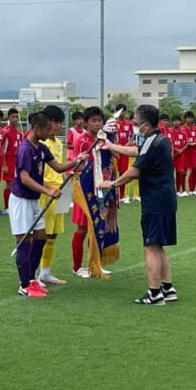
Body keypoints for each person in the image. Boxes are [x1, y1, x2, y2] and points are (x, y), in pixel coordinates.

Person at [99, 104, 178, 305]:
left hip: (156, 201)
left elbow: (134, 171)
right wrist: (110, 145)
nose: (134, 127)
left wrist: (112, 184)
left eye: (135, 124)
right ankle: (167, 288)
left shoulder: (154, 142)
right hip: (165, 199)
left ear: (145, 125)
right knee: (158, 246)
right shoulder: (158, 140)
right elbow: (136, 151)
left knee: (150, 246)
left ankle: (154, 292)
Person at [10, 112, 87, 297]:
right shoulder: (25, 149)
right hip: (21, 200)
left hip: (33, 199)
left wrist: (77, 161)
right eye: (47, 129)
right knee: (24, 242)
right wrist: (49, 190)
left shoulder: (41, 148)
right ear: (37, 128)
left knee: (41, 237)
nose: (50, 132)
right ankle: (24, 284)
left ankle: (32, 278)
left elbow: (58, 167)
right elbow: (25, 178)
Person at [71, 106, 117, 279]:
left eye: (100, 121)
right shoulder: (82, 141)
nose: (98, 124)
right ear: (85, 122)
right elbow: (78, 165)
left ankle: (95, 263)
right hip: (85, 191)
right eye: (94, 121)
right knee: (82, 228)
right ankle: (77, 267)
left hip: (101, 190)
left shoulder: (104, 140)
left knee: (99, 225)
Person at [38, 105, 71, 285]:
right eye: (55, 122)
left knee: (54, 234)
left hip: (60, 192)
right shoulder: (41, 143)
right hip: (46, 193)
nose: (58, 126)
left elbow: (59, 167)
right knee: (42, 234)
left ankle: (45, 271)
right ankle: (35, 272)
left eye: (60, 122)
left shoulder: (58, 143)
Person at [2, 107, 23, 212]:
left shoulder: (19, 133)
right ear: (9, 118)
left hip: (17, 160)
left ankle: (14, 205)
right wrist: (4, 164)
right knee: (9, 184)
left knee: (17, 183)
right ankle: (7, 207)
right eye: (13, 117)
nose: (15, 119)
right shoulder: (5, 132)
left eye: (16, 117)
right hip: (9, 160)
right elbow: (3, 150)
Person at [114, 104, 134, 203]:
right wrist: (116, 146)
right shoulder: (112, 123)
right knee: (113, 173)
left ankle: (122, 196)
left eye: (123, 111)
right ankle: (113, 195)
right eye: (119, 111)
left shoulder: (128, 124)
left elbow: (131, 137)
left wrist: (125, 146)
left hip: (124, 152)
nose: (121, 113)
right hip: (114, 151)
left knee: (123, 173)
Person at [170, 114, 189, 196]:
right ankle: (172, 190)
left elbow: (187, 143)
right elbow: (169, 143)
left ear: (180, 122)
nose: (176, 122)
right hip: (172, 155)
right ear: (172, 122)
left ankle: (179, 190)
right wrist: (176, 150)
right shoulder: (170, 131)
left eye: (177, 121)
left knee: (180, 172)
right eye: (174, 121)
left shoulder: (183, 132)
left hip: (181, 156)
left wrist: (181, 150)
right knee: (171, 172)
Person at [183, 111, 196, 195]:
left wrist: (194, 143)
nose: (190, 119)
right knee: (184, 171)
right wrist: (189, 143)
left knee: (195, 169)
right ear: (185, 119)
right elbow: (183, 140)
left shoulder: (195, 128)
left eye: (191, 118)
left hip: (194, 151)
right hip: (185, 151)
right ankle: (183, 190)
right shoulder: (182, 128)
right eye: (188, 117)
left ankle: (193, 190)